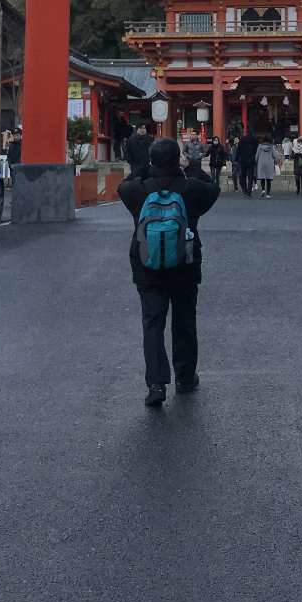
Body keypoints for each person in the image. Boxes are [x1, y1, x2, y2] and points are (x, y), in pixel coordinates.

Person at [119, 137, 220, 407]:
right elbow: (213, 188)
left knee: (152, 322)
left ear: (152, 159)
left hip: (146, 265)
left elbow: (123, 186)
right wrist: (191, 167)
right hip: (184, 265)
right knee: (184, 320)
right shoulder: (190, 188)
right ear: (179, 158)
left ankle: (156, 383)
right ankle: (185, 378)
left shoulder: (139, 190)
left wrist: (143, 167)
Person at [235, 128, 257, 197]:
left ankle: (244, 190)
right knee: (250, 177)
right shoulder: (255, 140)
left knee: (243, 176)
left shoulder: (242, 139)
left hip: (243, 159)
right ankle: (249, 192)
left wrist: (236, 159)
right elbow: (256, 150)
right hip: (251, 160)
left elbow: (238, 150)